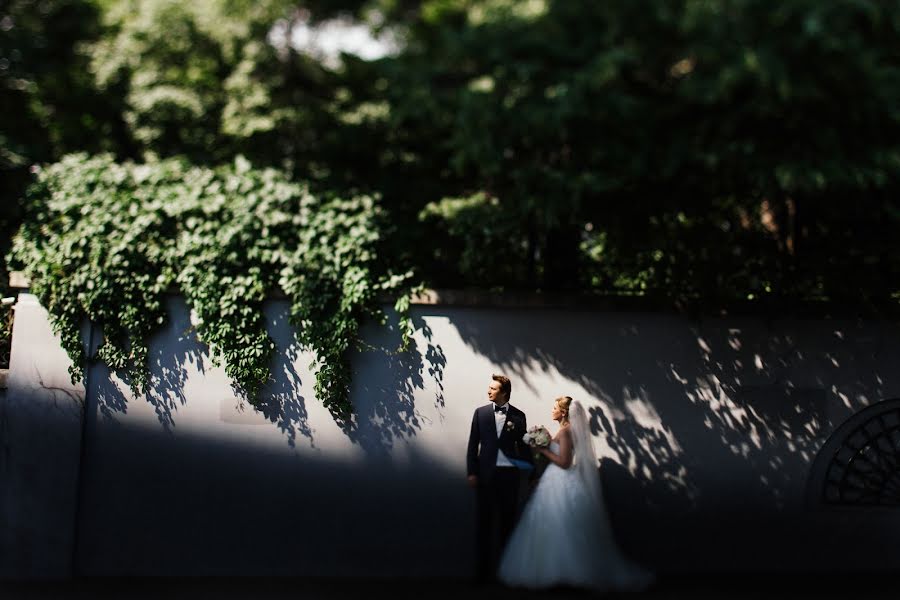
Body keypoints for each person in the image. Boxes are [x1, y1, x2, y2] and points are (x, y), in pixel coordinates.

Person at [497, 396, 654, 591]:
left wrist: (542, 449)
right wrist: (543, 440)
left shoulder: (565, 432)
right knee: (553, 525)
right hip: (552, 479)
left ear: (563, 412)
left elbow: (563, 462)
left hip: (559, 479)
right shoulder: (564, 431)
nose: (552, 410)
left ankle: (562, 573)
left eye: (555, 407)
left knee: (557, 525)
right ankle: (559, 573)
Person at [466, 374, 534, 583]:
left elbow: (523, 448)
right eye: (489, 388)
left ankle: (506, 574)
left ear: (504, 393)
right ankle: (482, 575)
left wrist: (532, 473)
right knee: (483, 525)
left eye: (493, 389)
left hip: (509, 478)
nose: (488, 391)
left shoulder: (518, 416)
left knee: (507, 525)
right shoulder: (480, 414)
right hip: (485, 477)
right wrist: (472, 472)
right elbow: (472, 446)